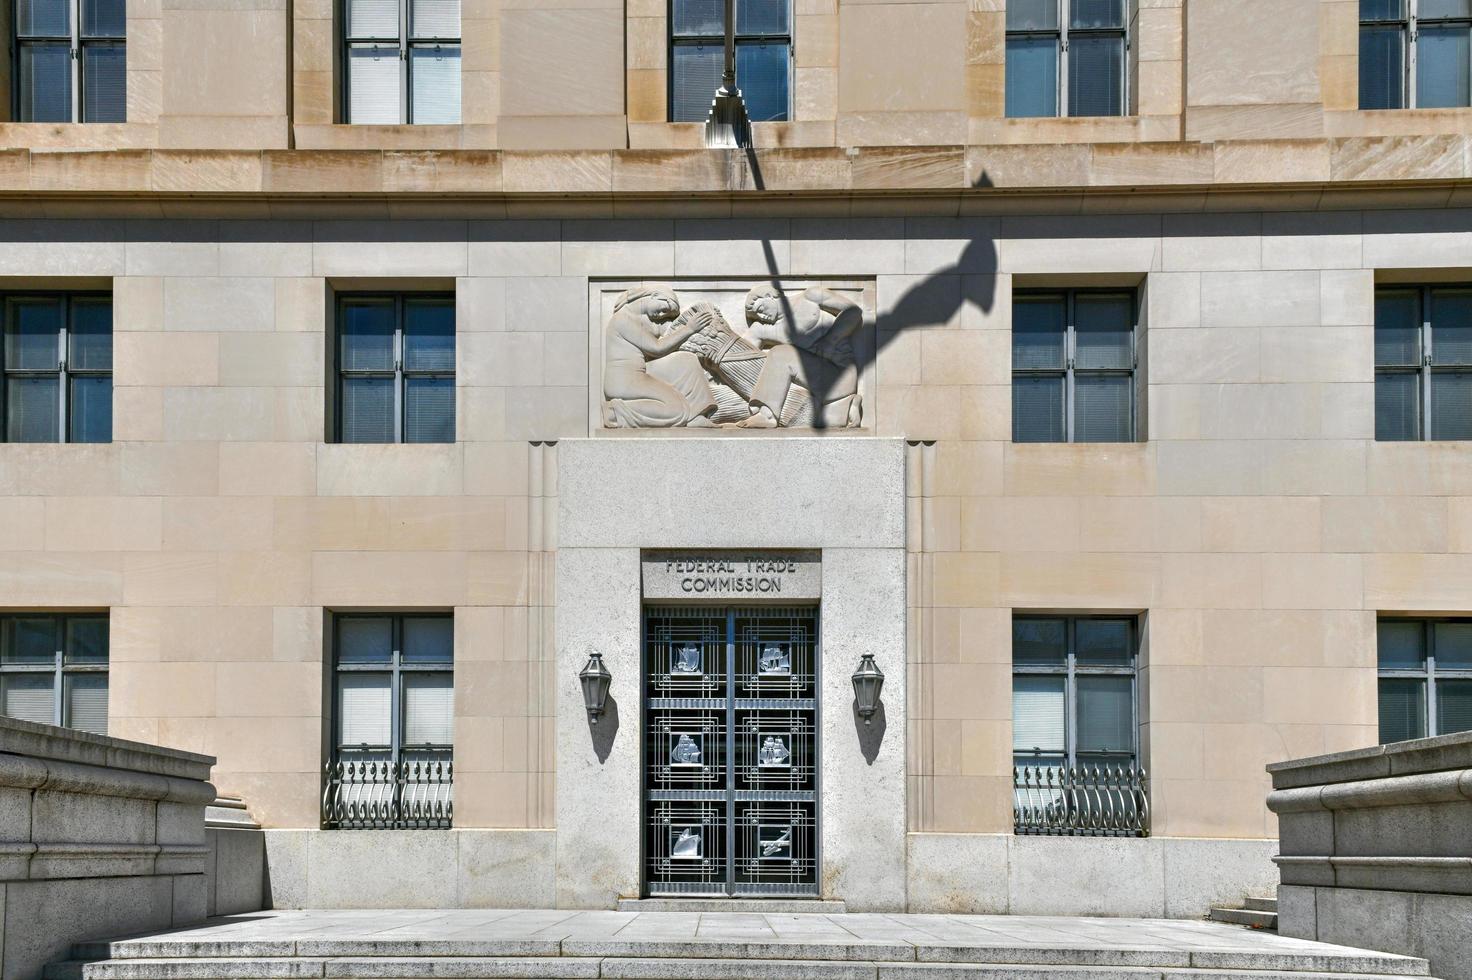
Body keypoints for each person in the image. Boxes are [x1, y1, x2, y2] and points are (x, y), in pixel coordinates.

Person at [736, 285, 863, 428]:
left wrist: (830, 340)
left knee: (780, 354)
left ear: (769, 296)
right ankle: (850, 406)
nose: (761, 317)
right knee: (831, 424)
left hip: (841, 375)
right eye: (756, 316)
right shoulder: (764, 330)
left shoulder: (810, 296)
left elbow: (853, 311)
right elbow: (740, 353)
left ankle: (767, 415)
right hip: (824, 392)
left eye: (760, 310)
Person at [602, 286, 718, 428]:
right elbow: (657, 347)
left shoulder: (647, 320)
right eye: (664, 308)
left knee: (687, 360)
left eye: (666, 313)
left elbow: (671, 336)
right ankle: (616, 413)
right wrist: (689, 328)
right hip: (623, 379)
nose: (662, 314)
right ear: (655, 295)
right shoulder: (623, 319)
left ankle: (696, 415)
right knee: (676, 409)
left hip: (643, 371)